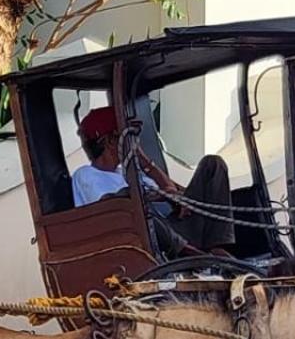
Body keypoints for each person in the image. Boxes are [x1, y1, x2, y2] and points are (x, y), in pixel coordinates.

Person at [73, 106, 234, 256]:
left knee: (213, 164)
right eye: (129, 137)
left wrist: (143, 160)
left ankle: (217, 248)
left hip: (171, 228)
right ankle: (196, 256)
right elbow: (111, 208)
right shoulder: (86, 175)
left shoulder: (127, 172)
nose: (135, 141)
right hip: (146, 240)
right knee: (135, 204)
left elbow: (171, 189)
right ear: (110, 141)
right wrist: (155, 195)